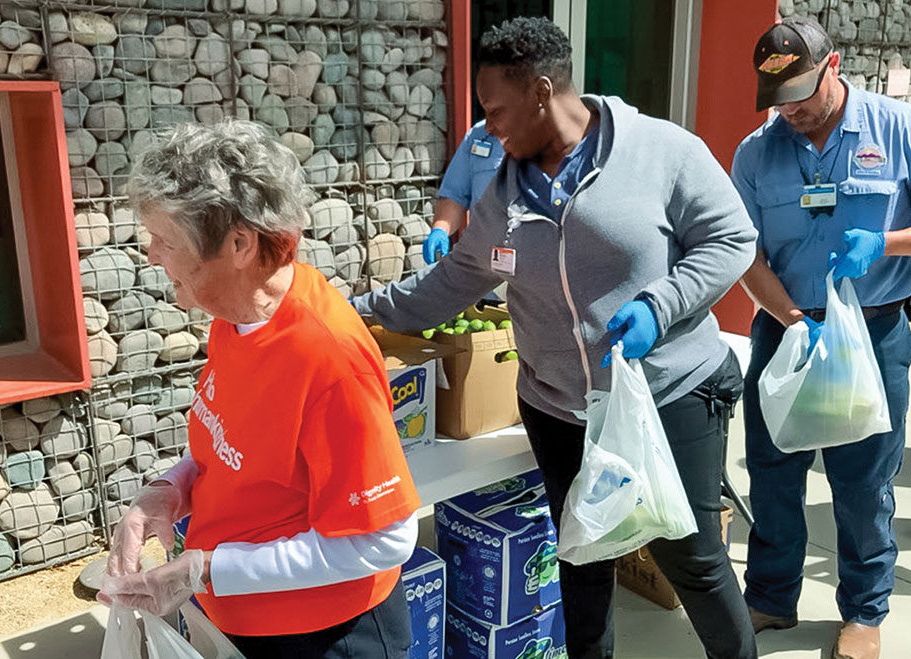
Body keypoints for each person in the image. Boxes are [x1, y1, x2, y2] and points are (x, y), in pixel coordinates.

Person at [355, 16, 759, 659]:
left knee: (695, 562)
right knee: (583, 558)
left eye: (497, 110)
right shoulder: (503, 196)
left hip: (668, 395)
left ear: (543, 91)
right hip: (558, 408)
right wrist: (351, 312)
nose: (488, 127)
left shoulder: (661, 149)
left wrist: (663, 305)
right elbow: (451, 283)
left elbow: (732, 238)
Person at [97, 119, 421, 659]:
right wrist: (169, 488)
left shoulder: (329, 362)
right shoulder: (237, 315)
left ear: (240, 244)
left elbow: (385, 539)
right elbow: (237, 442)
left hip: (326, 636)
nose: (150, 254)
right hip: (247, 616)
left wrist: (208, 569)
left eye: (165, 239)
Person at [731, 17, 911, 659]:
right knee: (775, 470)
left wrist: (887, 243)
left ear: (834, 66)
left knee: (864, 478)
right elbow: (746, 254)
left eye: (803, 96)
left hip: (873, 330)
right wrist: (790, 319)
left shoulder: (905, 129)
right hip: (788, 329)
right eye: (778, 101)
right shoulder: (757, 152)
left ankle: (864, 612)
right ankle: (770, 597)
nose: (791, 113)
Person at [423, 120, 505, 264]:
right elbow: (455, 195)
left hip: (531, 265)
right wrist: (440, 230)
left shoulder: (548, 136)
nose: (489, 124)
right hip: (484, 259)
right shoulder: (478, 134)